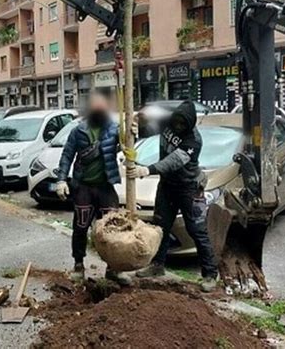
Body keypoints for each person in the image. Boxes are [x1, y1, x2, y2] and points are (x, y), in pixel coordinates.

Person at [127, 100, 218, 292]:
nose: (177, 127)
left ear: (190, 124)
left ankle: (210, 274)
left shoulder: (193, 141)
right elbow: (148, 128)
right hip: (167, 186)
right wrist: (137, 129)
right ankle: (157, 265)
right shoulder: (167, 122)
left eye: (182, 125)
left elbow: (173, 161)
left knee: (197, 230)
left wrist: (147, 170)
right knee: (160, 226)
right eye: (176, 122)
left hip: (188, 188)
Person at [55, 92, 128, 283]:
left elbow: (127, 147)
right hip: (84, 188)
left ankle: (114, 268)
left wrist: (132, 133)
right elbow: (66, 156)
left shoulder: (114, 129)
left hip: (106, 186)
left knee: (112, 229)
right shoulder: (78, 131)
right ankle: (78, 264)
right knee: (80, 227)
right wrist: (61, 180)